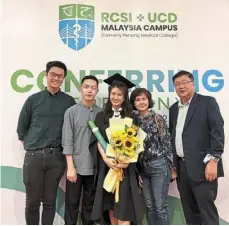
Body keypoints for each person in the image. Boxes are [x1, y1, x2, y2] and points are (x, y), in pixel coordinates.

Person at [16, 61, 75, 225]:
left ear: (64, 78)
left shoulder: (69, 102)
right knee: (32, 202)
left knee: (50, 202)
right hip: (33, 157)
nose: (56, 78)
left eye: (60, 76)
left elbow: (72, 130)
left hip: (56, 158)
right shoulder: (33, 100)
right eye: (53, 75)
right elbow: (21, 130)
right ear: (46, 75)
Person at [169, 70, 224, 225]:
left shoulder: (207, 102)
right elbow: (174, 137)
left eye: (185, 82)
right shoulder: (173, 109)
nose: (181, 86)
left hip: (204, 168)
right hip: (182, 168)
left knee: (207, 213)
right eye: (177, 84)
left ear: (193, 83)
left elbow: (217, 133)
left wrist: (214, 160)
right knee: (190, 214)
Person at [90, 73, 142, 225]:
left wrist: (125, 163)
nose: (116, 97)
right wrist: (106, 159)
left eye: (119, 94)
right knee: (111, 206)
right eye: (113, 94)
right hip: (108, 168)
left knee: (124, 208)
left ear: (124, 97)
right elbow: (97, 141)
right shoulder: (101, 116)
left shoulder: (133, 117)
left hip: (125, 169)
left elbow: (137, 143)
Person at [130, 88, 176, 225]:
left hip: (159, 165)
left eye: (144, 99)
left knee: (160, 206)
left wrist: (172, 168)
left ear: (149, 100)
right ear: (133, 102)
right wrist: (136, 171)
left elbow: (167, 143)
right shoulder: (132, 121)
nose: (141, 102)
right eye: (137, 99)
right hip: (143, 169)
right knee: (149, 207)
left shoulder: (157, 118)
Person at [62, 75, 102, 225]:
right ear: (81, 89)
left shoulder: (101, 113)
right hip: (76, 168)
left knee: (89, 206)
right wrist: (70, 167)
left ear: (97, 91)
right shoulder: (71, 112)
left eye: (93, 88)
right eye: (86, 87)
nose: (89, 90)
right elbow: (67, 140)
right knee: (72, 204)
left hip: (95, 168)